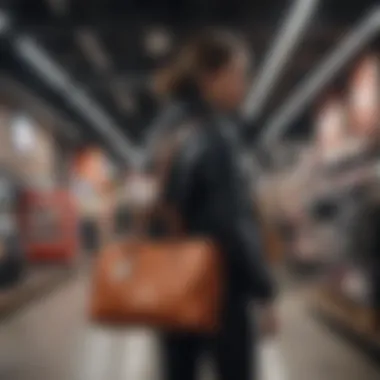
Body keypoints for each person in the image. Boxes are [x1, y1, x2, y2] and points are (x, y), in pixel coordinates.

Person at [154, 30, 277, 380]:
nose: (246, 85)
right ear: (212, 78)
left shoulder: (167, 131)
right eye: (240, 74)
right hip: (220, 289)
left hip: (174, 284)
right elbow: (233, 222)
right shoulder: (218, 136)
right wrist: (263, 290)